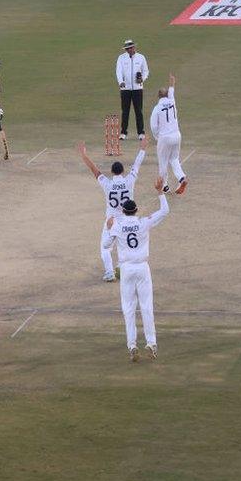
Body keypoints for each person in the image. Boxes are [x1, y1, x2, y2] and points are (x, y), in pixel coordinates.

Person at [103, 178, 169, 362]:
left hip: (126, 269)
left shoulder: (118, 225)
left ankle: (132, 345)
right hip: (142, 267)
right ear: (136, 210)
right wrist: (160, 192)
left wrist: (109, 229)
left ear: (123, 211)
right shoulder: (143, 222)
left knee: (128, 308)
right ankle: (152, 343)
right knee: (147, 306)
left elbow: (107, 245)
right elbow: (165, 211)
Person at [78, 137, 147, 282]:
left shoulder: (107, 184)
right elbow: (137, 164)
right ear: (122, 171)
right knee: (125, 246)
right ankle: (122, 269)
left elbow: (94, 170)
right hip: (127, 220)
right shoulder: (129, 180)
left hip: (111, 222)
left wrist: (84, 156)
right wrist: (142, 148)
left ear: (112, 172)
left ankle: (110, 272)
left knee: (105, 248)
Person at [150, 73, 188, 195]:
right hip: (177, 136)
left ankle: (164, 186)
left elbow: (154, 126)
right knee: (174, 158)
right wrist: (172, 82)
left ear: (158, 97)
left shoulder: (157, 108)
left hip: (165, 138)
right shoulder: (172, 101)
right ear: (167, 95)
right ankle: (181, 178)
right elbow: (172, 90)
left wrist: (157, 137)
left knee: (163, 162)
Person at [115, 39, 150, 140]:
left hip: (137, 89)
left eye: (131, 48)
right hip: (125, 88)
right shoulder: (121, 58)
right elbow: (118, 71)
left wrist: (142, 79)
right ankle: (123, 132)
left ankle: (141, 132)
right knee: (125, 111)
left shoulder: (141, 57)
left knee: (138, 111)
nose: (129, 50)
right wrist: (120, 81)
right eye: (127, 49)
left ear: (134, 47)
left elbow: (145, 71)